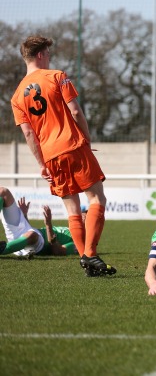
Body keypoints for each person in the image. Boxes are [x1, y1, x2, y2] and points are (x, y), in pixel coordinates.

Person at [10, 35, 116, 276]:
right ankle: (90, 254)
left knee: (72, 210)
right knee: (97, 199)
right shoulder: (57, 76)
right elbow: (76, 111)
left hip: (50, 156)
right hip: (73, 145)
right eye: (48, 53)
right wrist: (86, 140)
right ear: (40, 55)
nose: (49, 57)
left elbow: (28, 134)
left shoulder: (16, 97)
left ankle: (86, 260)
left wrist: (42, 164)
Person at [0, 186, 78, 258]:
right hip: (23, 235)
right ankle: (14, 245)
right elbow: (28, 231)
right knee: (3, 192)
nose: (81, 218)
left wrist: (48, 224)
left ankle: (4, 249)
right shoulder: (72, 229)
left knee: (32, 235)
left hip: (38, 245)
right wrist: (24, 215)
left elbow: (58, 251)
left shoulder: (79, 243)